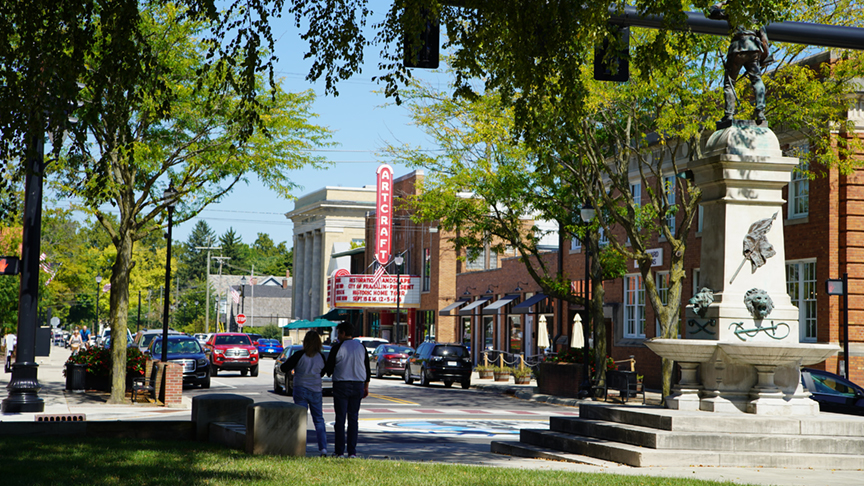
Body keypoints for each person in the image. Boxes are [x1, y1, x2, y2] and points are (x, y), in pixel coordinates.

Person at [708, 2, 772, 124]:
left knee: (729, 82)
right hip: (753, 49)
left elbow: (711, 12)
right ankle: (760, 112)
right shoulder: (756, 14)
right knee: (757, 80)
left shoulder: (732, 11)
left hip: (737, 48)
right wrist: (763, 58)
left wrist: (722, 3)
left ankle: (729, 115)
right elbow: (764, 41)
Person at [323, 322, 370, 458]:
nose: (338, 336)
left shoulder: (337, 348)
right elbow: (367, 369)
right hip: (358, 385)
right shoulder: (361, 347)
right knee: (353, 419)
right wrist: (366, 386)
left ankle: (339, 451)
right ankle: (352, 452)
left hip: (341, 384)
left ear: (343, 333)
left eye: (339, 333)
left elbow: (329, 370)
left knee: (340, 418)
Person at [280, 331, 328, 456]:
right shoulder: (321, 357)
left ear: (305, 342)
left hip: (300, 388)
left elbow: (284, 368)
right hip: (316, 390)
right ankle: (323, 448)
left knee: (301, 420)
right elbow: (324, 372)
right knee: (318, 419)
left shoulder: (299, 355)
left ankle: (299, 447)